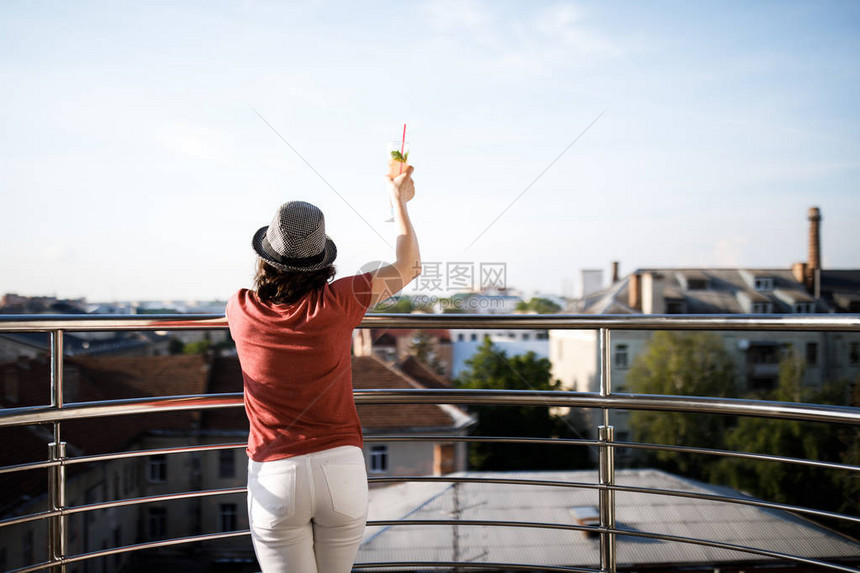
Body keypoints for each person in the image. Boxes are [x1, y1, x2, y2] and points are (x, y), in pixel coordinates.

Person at [226, 166, 419, 573]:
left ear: (266, 257)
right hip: (342, 470)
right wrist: (399, 201)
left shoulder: (240, 308)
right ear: (321, 259)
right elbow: (409, 266)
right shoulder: (341, 299)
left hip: (275, 472)